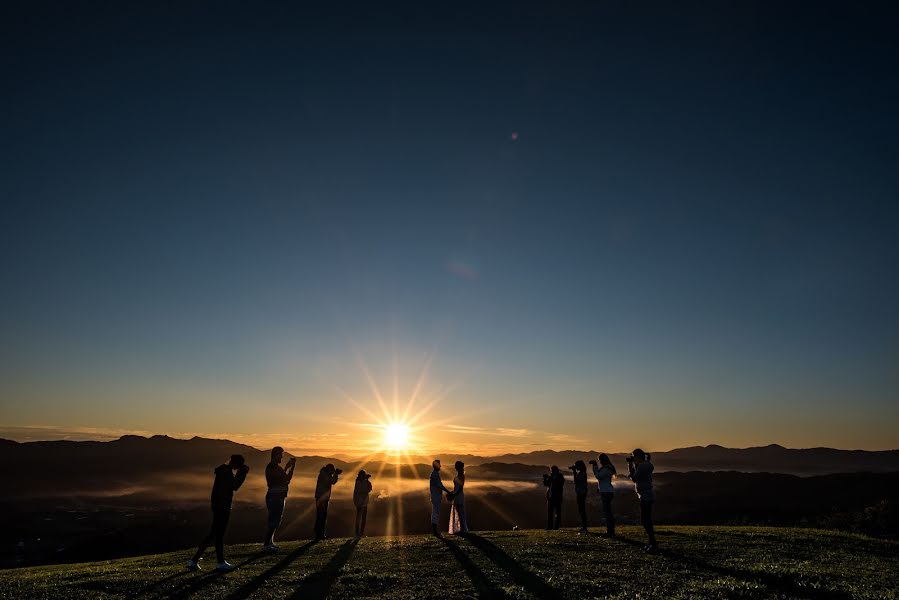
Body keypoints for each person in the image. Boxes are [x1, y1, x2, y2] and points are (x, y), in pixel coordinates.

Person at [187, 454, 249, 571]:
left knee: (214, 534)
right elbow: (235, 486)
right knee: (218, 534)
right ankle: (219, 562)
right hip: (223, 507)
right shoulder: (227, 473)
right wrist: (243, 473)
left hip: (217, 506)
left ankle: (194, 561)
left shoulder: (222, 471)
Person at [263, 446, 296, 552]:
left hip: (277, 496)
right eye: (281, 454)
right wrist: (292, 467)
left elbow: (283, 478)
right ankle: (266, 545)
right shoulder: (273, 467)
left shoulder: (275, 467)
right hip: (275, 497)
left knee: (275, 520)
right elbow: (286, 479)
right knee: (274, 521)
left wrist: (287, 467)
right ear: (276, 455)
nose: (282, 457)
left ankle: (270, 543)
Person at [627, 448, 657, 552]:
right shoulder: (645, 465)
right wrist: (634, 465)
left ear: (637, 456)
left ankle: (653, 543)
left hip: (646, 495)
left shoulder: (643, 466)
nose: (632, 458)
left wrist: (631, 466)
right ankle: (651, 542)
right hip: (646, 494)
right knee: (646, 520)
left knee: (645, 520)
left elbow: (634, 478)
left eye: (633, 456)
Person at [590, 453, 616, 537]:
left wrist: (594, 466)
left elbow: (598, 476)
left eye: (600, 460)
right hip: (607, 491)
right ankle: (610, 531)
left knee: (607, 512)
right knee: (608, 512)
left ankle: (610, 531)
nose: (600, 462)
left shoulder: (607, 468)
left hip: (606, 492)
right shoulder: (608, 468)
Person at [314, 463, 341, 540]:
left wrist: (335, 474)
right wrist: (336, 474)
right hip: (321, 498)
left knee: (322, 516)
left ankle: (320, 534)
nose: (332, 472)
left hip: (322, 498)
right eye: (332, 470)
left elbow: (332, 481)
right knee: (321, 516)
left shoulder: (324, 474)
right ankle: (319, 534)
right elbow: (331, 481)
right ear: (329, 469)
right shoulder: (324, 475)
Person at [429, 459, 452, 537]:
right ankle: (435, 532)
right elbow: (440, 485)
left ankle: (435, 531)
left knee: (435, 513)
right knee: (436, 513)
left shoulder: (434, 474)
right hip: (436, 497)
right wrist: (448, 491)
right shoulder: (435, 475)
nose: (440, 466)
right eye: (439, 465)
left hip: (435, 497)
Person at [448, 460, 468, 535]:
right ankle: (460, 528)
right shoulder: (459, 476)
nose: (455, 467)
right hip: (456, 494)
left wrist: (454, 494)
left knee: (460, 512)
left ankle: (462, 529)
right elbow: (456, 487)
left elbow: (460, 488)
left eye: (456, 466)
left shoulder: (462, 476)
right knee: (458, 511)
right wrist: (452, 492)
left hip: (459, 495)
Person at [543, 465, 564, 530]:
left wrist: (550, 478)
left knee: (557, 513)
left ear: (556, 471)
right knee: (550, 513)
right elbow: (546, 484)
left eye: (552, 471)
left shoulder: (560, 477)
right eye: (551, 471)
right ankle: (550, 526)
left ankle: (556, 526)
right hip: (550, 498)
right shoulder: (552, 477)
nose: (551, 472)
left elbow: (558, 484)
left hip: (557, 498)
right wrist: (545, 478)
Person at [353, 469, 373, 539]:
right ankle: (358, 533)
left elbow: (370, 488)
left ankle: (361, 533)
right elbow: (364, 490)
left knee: (363, 518)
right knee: (360, 518)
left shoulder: (362, 481)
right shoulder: (358, 482)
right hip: (360, 502)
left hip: (363, 502)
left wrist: (367, 481)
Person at [571, 460, 589, 533]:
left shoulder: (582, 474)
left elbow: (576, 482)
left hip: (581, 493)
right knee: (581, 510)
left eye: (576, 465)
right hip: (581, 492)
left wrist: (574, 472)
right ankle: (584, 526)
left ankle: (584, 527)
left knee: (582, 510)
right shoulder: (582, 473)